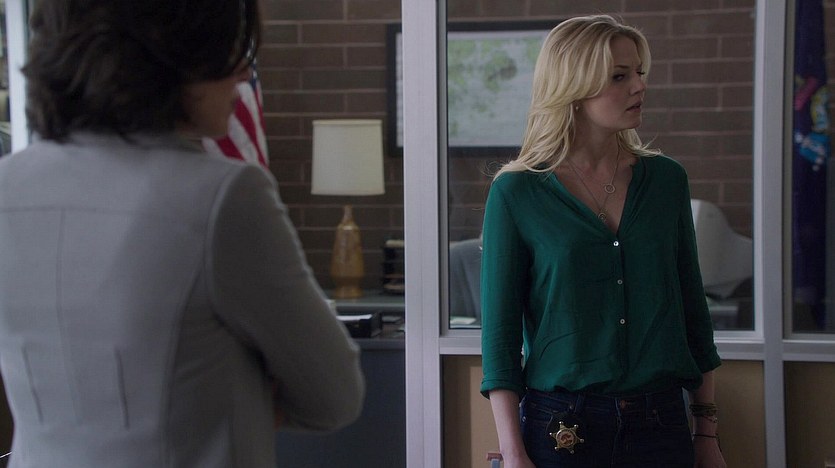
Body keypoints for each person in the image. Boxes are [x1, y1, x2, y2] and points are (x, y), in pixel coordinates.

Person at [0, 1, 364, 467]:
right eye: (226, 50)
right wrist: (249, 391)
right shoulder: (223, 197)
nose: (243, 72)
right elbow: (334, 396)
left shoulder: (7, 187)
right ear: (171, 57)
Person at [480, 15, 726, 468]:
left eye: (639, 73)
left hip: (662, 422)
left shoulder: (666, 180)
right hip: (560, 428)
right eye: (619, 76)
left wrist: (706, 432)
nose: (639, 86)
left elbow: (693, 311)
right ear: (573, 89)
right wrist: (513, 453)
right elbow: (500, 337)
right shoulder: (517, 192)